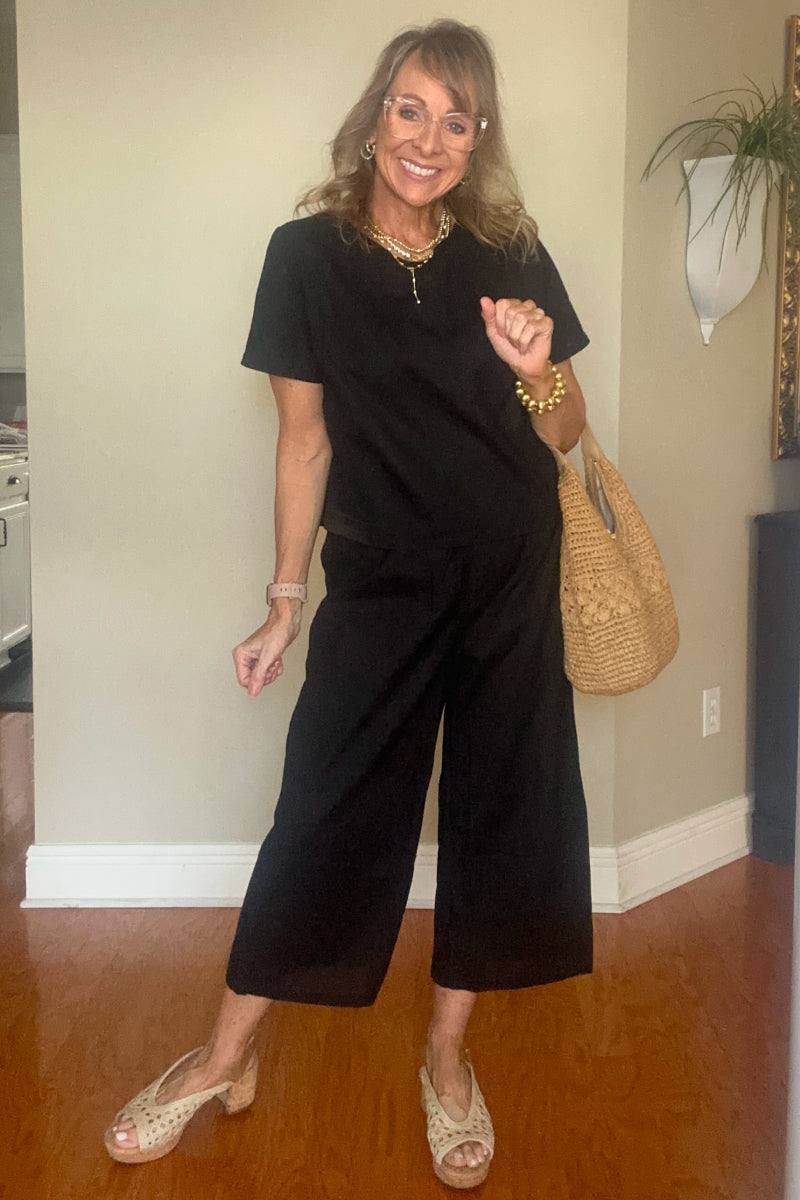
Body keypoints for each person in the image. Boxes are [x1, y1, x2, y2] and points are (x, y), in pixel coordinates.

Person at [104, 17, 594, 1188]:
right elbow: (305, 444)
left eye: (455, 120)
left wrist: (540, 373)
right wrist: (285, 600)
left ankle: (446, 1059)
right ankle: (222, 1059)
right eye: (410, 108)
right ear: (375, 115)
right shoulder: (305, 256)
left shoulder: (511, 250)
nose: (428, 138)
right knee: (323, 816)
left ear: (477, 139)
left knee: (499, 811)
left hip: (509, 574)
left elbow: (568, 433)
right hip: (379, 580)